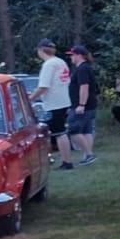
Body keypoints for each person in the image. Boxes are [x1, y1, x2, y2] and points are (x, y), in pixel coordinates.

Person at [31, 39, 73, 169]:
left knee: (59, 133)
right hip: (64, 100)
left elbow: (44, 86)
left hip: (54, 103)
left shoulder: (49, 65)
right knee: (61, 132)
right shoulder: (61, 62)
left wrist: (30, 98)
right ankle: (66, 160)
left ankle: (66, 162)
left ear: (41, 50)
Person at [67, 44, 99, 165]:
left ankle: (89, 154)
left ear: (79, 55)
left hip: (83, 106)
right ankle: (87, 155)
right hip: (88, 105)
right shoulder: (85, 68)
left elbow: (84, 86)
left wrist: (81, 104)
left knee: (73, 130)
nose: (71, 58)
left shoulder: (82, 69)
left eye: (72, 55)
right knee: (86, 131)